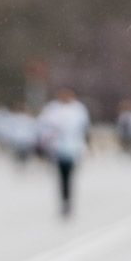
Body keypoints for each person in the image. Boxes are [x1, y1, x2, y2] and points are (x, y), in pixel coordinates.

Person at [37, 85, 91, 214]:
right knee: (62, 176)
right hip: (58, 148)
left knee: (69, 176)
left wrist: (88, 144)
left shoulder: (78, 109)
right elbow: (43, 126)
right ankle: (64, 200)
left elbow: (85, 128)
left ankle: (68, 199)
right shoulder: (52, 109)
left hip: (74, 147)